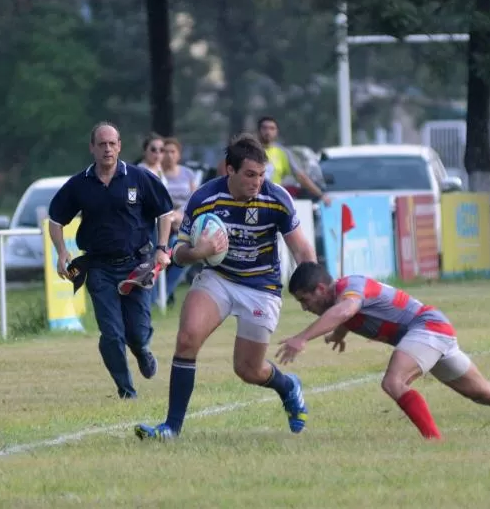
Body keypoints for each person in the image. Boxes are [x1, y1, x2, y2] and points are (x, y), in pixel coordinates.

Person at [135, 133, 318, 441]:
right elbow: (178, 255)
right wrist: (199, 252)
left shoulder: (275, 198)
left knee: (248, 370)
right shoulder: (205, 198)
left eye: (261, 175)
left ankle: (288, 386)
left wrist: (311, 287)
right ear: (229, 170)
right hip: (219, 278)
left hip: (261, 287)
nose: (257, 182)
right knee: (187, 338)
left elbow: (302, 250)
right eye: (249, 174)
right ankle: (171, 428)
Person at [275, 261, 490, 441]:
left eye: (305, 300)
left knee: (394, 382)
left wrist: (302, 339)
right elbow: (344, 315)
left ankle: (434, 442)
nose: (305, 308)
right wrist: (340, 334)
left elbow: (346, 310)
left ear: (320, 290)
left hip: (427, 328)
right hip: (430, 333)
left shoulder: (351, 287)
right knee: (484, 393)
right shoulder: (339, 299)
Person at [48, 122, 174, 400]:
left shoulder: (139, 178)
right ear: (92, 148)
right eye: (101, 144)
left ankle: (141, 350)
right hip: (100, 268)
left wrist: (162, 248)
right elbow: (55, 218)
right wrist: (61, 252)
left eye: (112, 143)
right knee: (112, 334)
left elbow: (165, 212)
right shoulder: (79, 184)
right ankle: (126, 390)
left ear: (119, 146)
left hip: (137, 266)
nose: (107, 149)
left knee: (137, 333)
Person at [160, 136, 198, 305]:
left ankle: (165, 293)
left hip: (184, 223)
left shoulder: (187, 173)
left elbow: (195, 200)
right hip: (162, 223)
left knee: (187, 252)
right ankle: (159, 296)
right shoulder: (156, 173)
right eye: (165, 151)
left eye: (172, 152)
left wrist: (180, 216)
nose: (168, 155)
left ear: (179, 155)